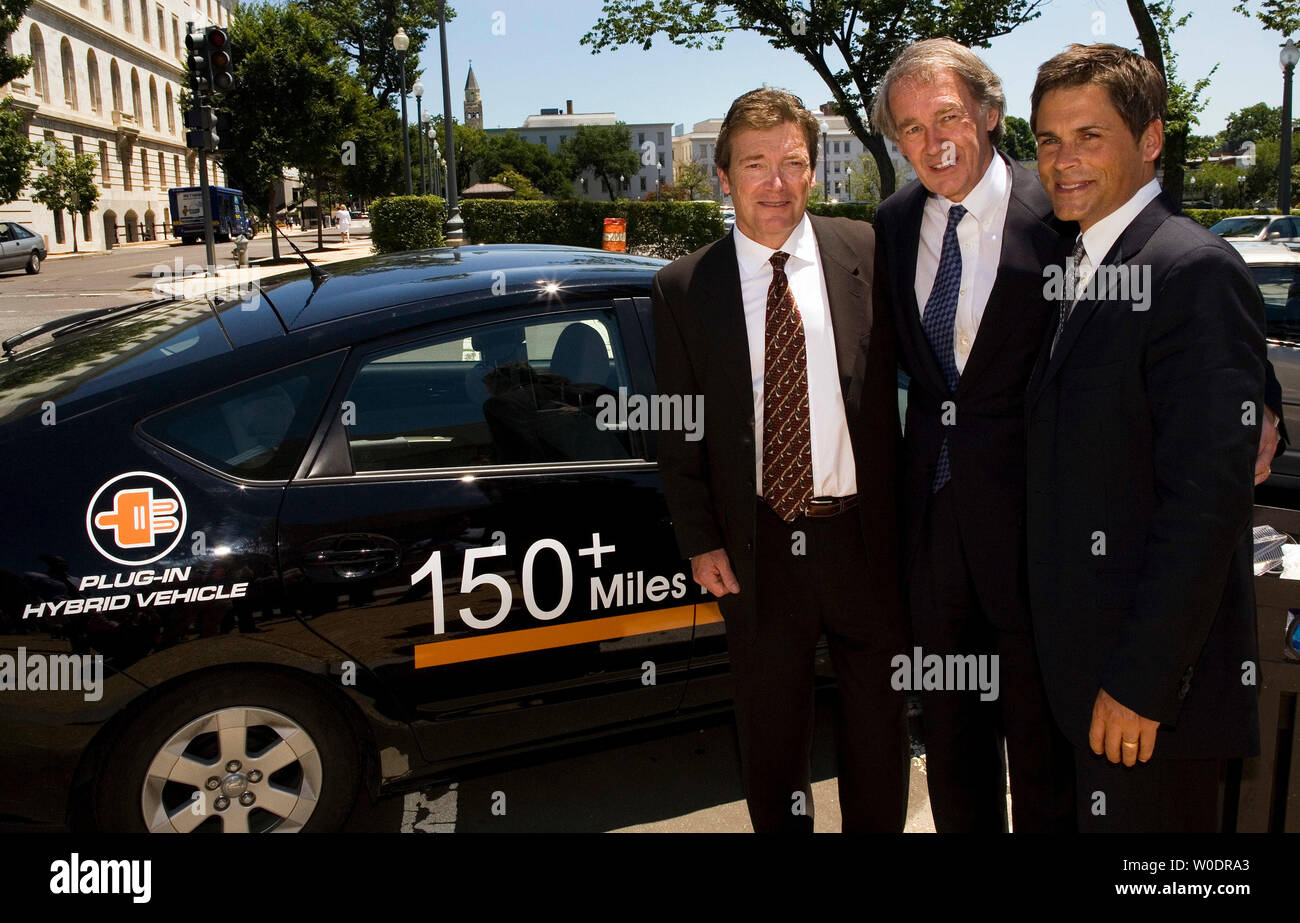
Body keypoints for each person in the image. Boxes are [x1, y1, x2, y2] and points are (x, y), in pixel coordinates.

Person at [652, 87, 910, 832]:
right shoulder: (681, 287)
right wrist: (700, 538)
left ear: (812, 169)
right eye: (755, 164)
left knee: (878, 731)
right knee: (771, 739)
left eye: (793, 162)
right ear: (724, 176)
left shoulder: (863, 250)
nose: (776, 182)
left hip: (864, 541)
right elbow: (679, 426)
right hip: (758, 548)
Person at [1027, 43, 1267, 832]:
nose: (1064, 161)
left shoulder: (1190, 268)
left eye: (1090, 136)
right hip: (1082, 685)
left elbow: (1204, 506)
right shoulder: (1081, 259)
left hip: (1147, 703)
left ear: (1151, 140)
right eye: (1049, 140)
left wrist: (1142, 683)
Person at [871, 38, 1077, 832]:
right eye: (911, 129)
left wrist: (1256, 393)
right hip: (933, 543)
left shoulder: (1059, 208)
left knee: (1044, 762)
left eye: (949, 116)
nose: (934, 142)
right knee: (954, 757)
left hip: (1038, 542)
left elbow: (1171, 294)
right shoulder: (892, 225)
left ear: (990, 115)